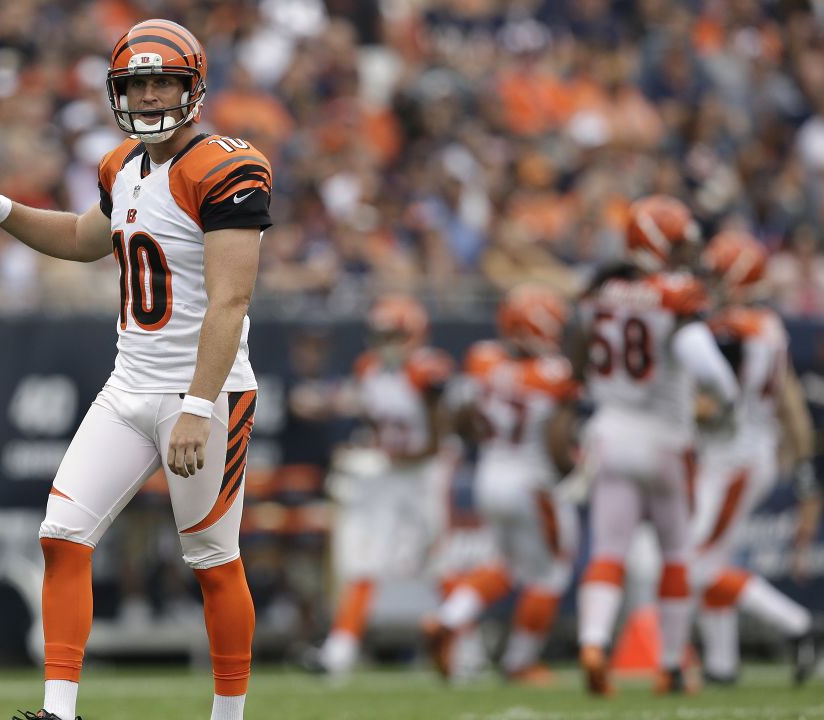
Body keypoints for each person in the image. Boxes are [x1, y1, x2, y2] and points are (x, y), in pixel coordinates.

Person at [0, 18, 271, 720]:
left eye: (164, 81)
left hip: (203, 390)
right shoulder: (121, 164)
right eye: (138, 82)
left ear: (194, 86)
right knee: (62, 535)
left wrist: (198, 404)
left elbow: (232, 300)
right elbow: (80, 238)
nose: (151, 95)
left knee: (213, 560)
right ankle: (59, 712)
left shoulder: (224, 166)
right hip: (128, 386)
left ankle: (229, 716)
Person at [573, 195, 739, 696]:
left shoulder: (599, 290)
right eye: (683, 242)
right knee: (675, 554)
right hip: (665, 436)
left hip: (607, 431)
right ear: (660, 242)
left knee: (608, 551)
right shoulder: (674, 293)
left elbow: (579, 354)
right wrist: (727, 401)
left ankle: (594, 641)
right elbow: (702, 360)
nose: (690, 252)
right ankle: (669, 665)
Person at [424, 284, 579, 685]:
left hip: (489, 476)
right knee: (551, 573)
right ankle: (520, 663)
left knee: (508, 567)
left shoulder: (483, 360)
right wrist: (571, 471)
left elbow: (462, 419)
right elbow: (558, 443)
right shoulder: (555, 374)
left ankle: (447, 618)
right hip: (532, 480)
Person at [302, 295, 454, 679]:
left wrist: (392, 458)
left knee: (439, 562)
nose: (386, 343)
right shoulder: (368, 369)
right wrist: (370, 450)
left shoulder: (426, 372)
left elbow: (437, 441)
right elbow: (373, 422)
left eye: (394, 334)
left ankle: (463, 651)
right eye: (381, 334)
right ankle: (340, 652)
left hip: (424, 476)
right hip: (389, 476)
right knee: (366, 562)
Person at [693, 231, 817, 686]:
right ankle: (722, 665)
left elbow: (711, 405)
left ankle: (800, 625)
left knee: (694, 566)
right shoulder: (769, 326)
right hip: (752, 453)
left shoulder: (728, 331)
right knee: (715, 559)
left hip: (733, 457)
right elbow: (791, 406)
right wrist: (804, 472)